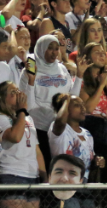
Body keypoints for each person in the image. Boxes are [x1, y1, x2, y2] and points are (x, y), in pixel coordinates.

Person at [0, 81, 47, 208]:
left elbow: (36, 149)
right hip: (11, 174)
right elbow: (15, 136)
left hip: (32, 176)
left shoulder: (26, 117)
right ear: (2, 98)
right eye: (13, 92)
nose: (19, 94)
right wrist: (21, 111)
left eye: (18, 91)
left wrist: (44, 177)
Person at [20, 35, 86, 168]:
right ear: (40, 49)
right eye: (50, 48)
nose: (54, 52)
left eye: (57, 49)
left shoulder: (62, 69)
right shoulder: (30, 70)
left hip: (60, 126)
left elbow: (70, 100)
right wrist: (31, 80)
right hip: (38, 127)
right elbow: (27, 106)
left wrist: (79, 76)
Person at [49, 95, 103, 208]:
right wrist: (66, 100)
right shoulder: (59, 129)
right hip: (64, 187)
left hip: (84, 187)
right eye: (77, 105)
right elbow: (60, 120)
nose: (83, 108)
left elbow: (89, 161)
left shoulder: (87, 134)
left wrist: (98, 161)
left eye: (82, 104)